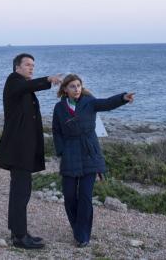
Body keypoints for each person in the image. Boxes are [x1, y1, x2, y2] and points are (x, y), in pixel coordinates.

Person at [52, 74, 135, 248]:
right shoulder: (59, 108)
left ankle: (83, 236)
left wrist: (122, 98)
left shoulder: (89, 102)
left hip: (90, 152)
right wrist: (61, 151)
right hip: (70, 154)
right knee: (69, 197)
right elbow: (56, 131)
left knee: (85, 197)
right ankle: (77, 228)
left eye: (79, 85)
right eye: (73, 86)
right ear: (65, 89)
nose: (77, 89)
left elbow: (106, 103)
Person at [0, 53, 62, 249]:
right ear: (17, 67)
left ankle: (19, 231)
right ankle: (20, 237)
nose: (32, 68)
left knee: (21, 192)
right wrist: (48, 80)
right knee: (20, 192)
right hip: (18, 150)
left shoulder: (22, 85)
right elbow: (27, 86)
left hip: (23, 149)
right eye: (28, 65)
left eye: (33, 65)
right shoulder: (14, 81)